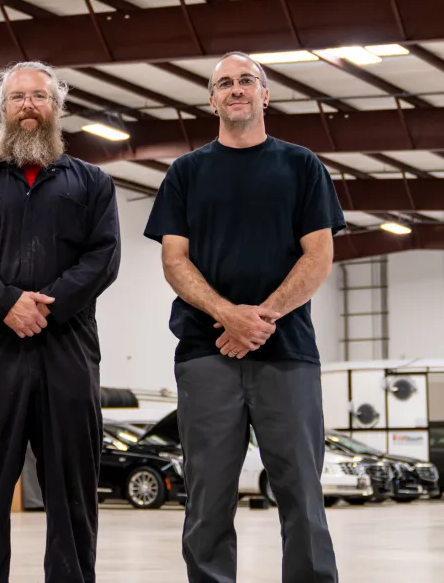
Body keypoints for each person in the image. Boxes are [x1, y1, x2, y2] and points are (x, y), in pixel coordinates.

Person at [144, 52, 345, 583]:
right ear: (212, 99)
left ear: (265, 94)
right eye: (225, 83)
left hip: (288, 353)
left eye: (247, 81)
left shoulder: (301, 166)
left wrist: (263, 318)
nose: (236, 89)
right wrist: (227, 315)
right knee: (208, 496)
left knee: (301, 491)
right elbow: (173, 259)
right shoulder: (186, 172)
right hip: (205, 353)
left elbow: (319, 254)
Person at [0, 61, 122, 583]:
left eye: (39, 97)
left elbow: (103, 257)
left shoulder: (92, 183)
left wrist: (46, 305)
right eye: (17, 97)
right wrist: (7, 304)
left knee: (72, 486)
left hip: (67, 348)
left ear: (56, 108)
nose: (28, 105)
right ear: (2, 109)